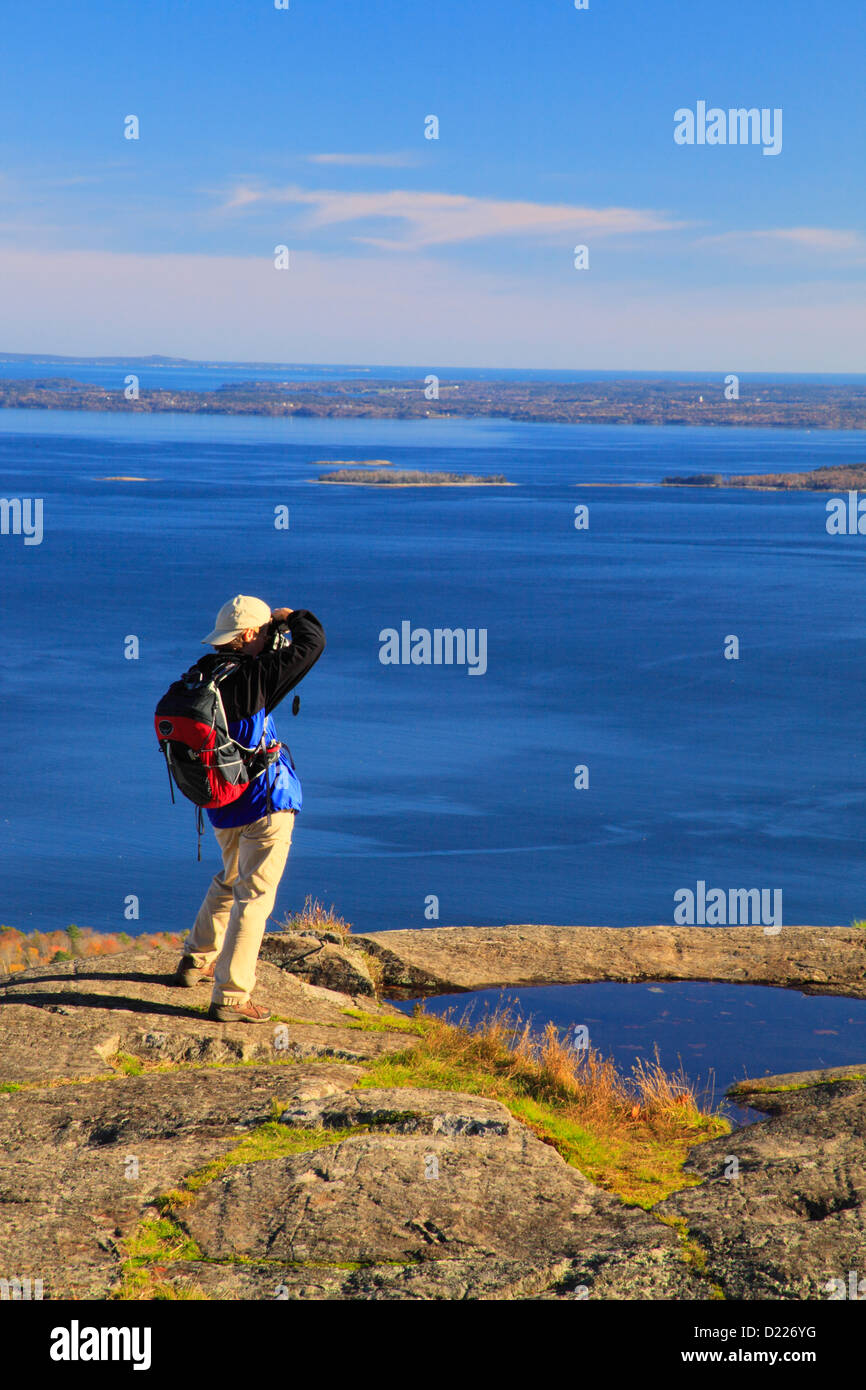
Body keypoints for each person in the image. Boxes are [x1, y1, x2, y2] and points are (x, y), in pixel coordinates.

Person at [172, 594, 325, 1022]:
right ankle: (232, 996)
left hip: (220, 804)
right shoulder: (256, 676)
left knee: (230, 877)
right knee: (253, 897)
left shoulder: (202, 674)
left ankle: (197, 958)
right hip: (263, 801)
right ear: (250, 634)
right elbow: (312, 644)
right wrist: (292, 618)